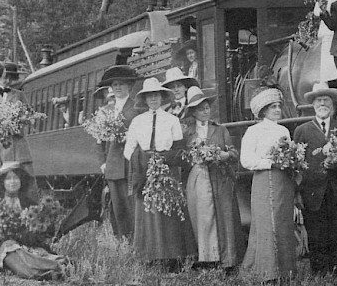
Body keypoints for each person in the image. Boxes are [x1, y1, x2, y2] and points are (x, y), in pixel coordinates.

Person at [124, 78, 196, 268]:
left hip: (167, 170)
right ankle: (149, 256)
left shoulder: (172, 120)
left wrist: (164, 159)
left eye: (156, 95)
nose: (153, 99)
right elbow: (128, 149)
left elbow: (180, 148)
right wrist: (142, 159)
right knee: (148, 211)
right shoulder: (138, 121)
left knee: (168, 210)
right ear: (145, 99)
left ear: (162, 97)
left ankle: (171, 256)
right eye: (150, 96)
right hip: (144, 170)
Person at [292, 82, 337, 278]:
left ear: (333, 102)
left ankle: (336, 277)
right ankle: (318, 277)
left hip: (336, 191)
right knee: (316, 237)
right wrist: (298, 193)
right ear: (313, 105)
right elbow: (296, 165)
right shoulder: (302, 130)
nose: (322, 103)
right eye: (318, 100)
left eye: (326, 99)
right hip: (312, 193)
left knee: (336, 235)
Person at [182, 86, 244, 271]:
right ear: (193, 112)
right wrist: (195, 157)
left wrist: (224, 155)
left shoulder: (220, 129)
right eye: (201, 109)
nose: (205, 111)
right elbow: (183, 157)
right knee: (202, 216)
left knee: (224, 216)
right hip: (199, 177)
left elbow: (233, 151)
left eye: (207, 107)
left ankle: (227, 259)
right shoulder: (188, 133)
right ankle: (206, 258)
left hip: (220, 176)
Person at [240, 87, 298, 282]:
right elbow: (246, 160)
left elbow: (290, 155)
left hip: (283, 182)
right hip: (264, 180)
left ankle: (285, 272)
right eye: (272, 107)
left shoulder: (284, 130)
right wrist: (270, 162)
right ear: (263, 110)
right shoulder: (254, 131)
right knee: (266, 223)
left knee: (282, 222)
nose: (277, 110)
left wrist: (290, 161)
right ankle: (266, 272)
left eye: (279, 106)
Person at [95, 65, 140, 240]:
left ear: (129, 86)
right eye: (115, 84)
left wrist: (130, 136)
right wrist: (102, 162)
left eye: (121, 84)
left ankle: (136, 240)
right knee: (117, 206)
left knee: (132, 204)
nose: (118, 87)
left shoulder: (137, 107)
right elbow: (98, 141)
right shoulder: (106, 111)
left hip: (131, 163)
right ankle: (121, 240)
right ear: (111, 88)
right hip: (113, 165)